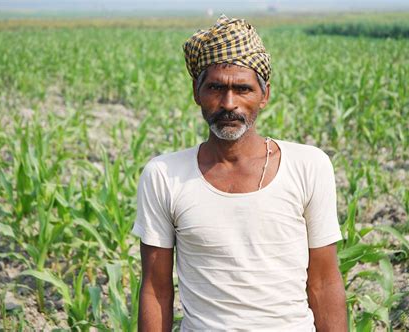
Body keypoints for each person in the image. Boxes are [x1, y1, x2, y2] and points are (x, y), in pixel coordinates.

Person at [132, 14, 347, 331]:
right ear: (197, 92)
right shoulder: (164, 175)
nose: (228, 103)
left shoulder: (308, 166)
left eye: (243, 89)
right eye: (216, 87)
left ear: (264, 95)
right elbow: (156, 289)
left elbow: (324, 283)